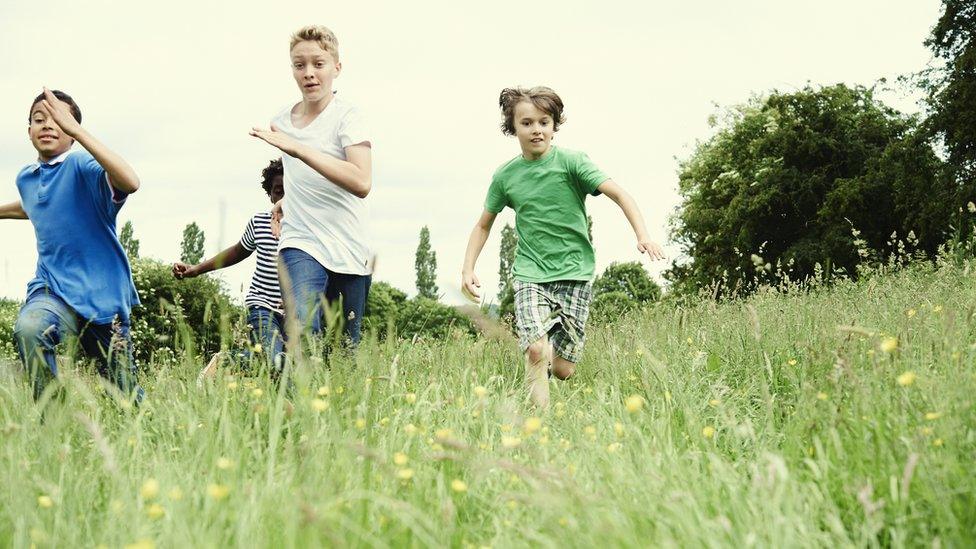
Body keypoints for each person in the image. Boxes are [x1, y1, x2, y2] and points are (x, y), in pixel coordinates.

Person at [461, 86, 666, 408]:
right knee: (535, 349)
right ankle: (538, 421)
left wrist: (643, 235)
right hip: (530, 272)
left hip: (575, 271)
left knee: (564, 369)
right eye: (526, 123)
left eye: (544, 122)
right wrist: (468, 268)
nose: (536, 130)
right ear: (512, 127)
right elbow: (483, 224)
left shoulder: (572, 162)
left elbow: (620, 194)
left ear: (554, 126)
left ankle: (556, 361)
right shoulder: (506, 176)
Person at [0, 88, 144, 403]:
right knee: (29, 328)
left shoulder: (82, 165)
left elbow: (130, 182)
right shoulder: (27, 177)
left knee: (124, 393)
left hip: (103, 297)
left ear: (73, 134)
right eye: (40, 119)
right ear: (29, 131)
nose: (49, 125)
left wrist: (77, 128)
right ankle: (52, 417)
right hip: (52, 291)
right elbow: (32, 206)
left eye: (60, 121)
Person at [250, 24, 373, 351]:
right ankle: (293, 401)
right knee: (303, 329)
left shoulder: (348, 116)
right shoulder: (282, 121)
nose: (309, 73)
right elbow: (299, 174)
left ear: (337, 67)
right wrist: (284, 201)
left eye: (318, 64)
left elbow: (361, 182)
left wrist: (298, 149)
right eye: (299, 65)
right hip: (300, 240)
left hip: (349, 247)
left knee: (343, 352)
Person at [172, 159, 286, 377]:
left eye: (290, 191)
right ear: (270, 195)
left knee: (290, 366)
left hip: (297, 311)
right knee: (274, 362)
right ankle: (227, 361)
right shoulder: (260, 222)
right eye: (277, 191)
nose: (283, 198)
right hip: (263, 306)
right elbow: (237, 251)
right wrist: (196, 269)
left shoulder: (309, 226)